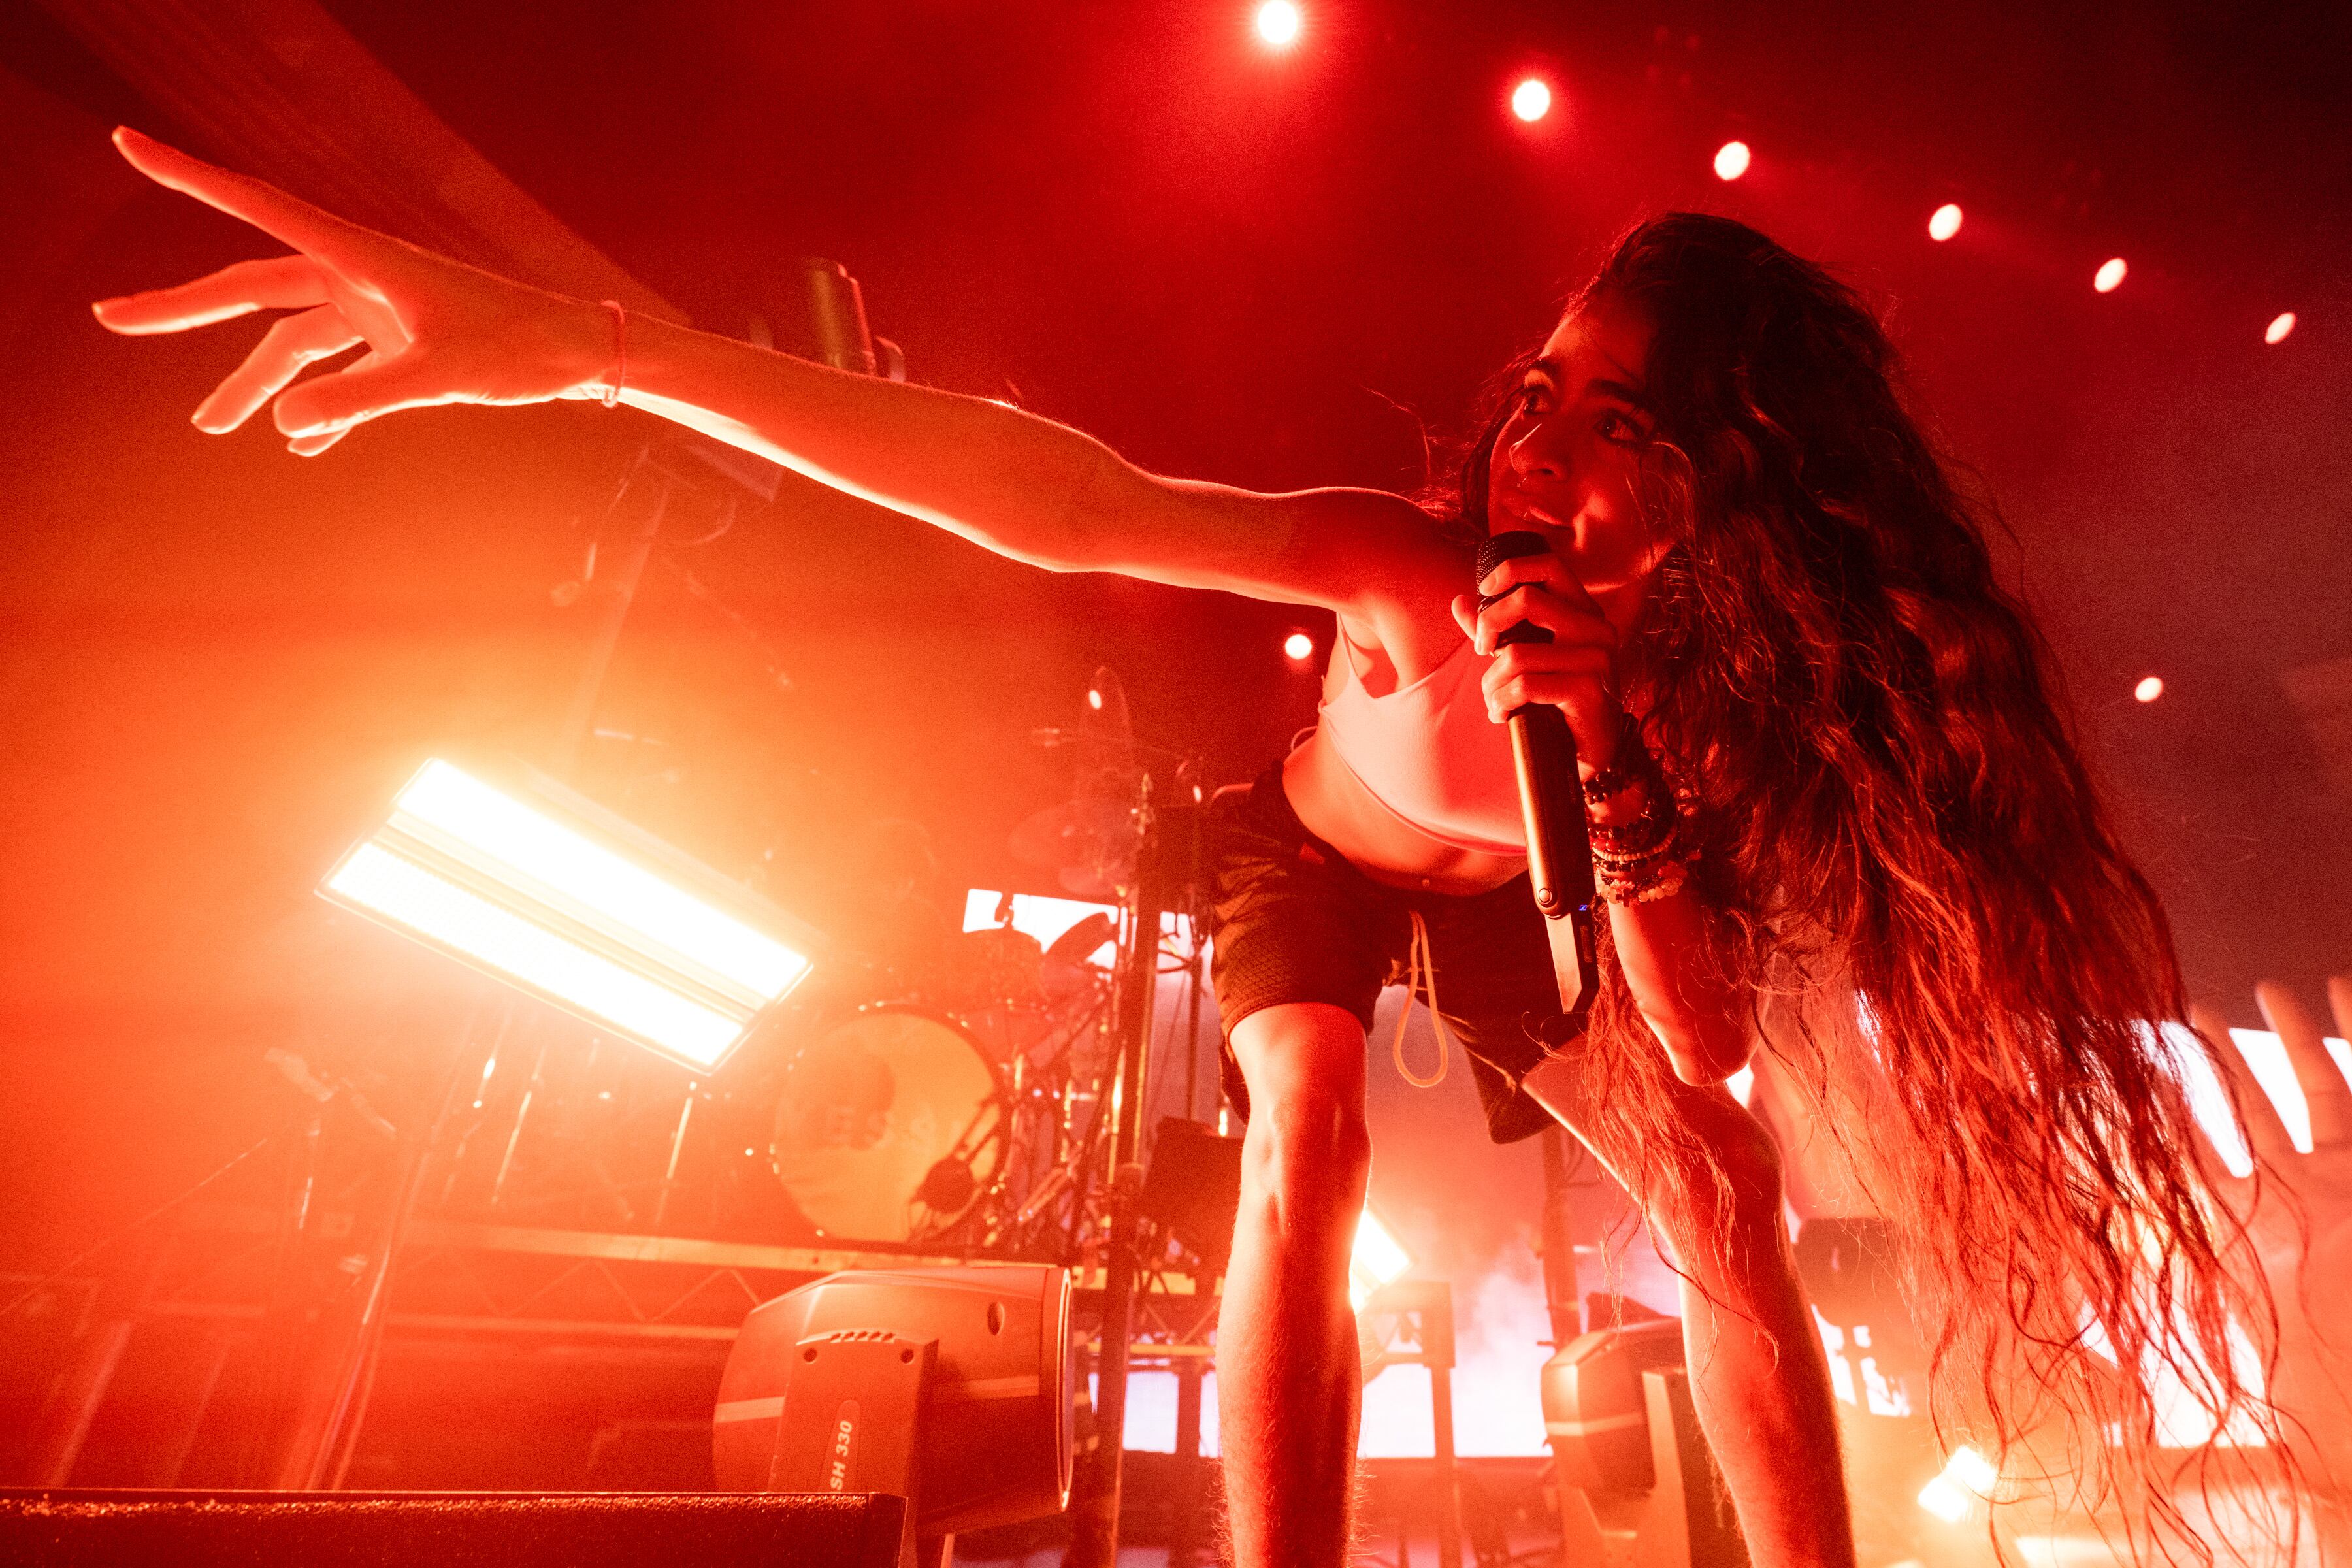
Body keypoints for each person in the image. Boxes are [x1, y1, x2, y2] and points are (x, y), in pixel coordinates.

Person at [95, 127, 2275, 1568]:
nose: (1544, 455)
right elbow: (1042, 483)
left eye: (1623, 428)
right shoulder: (1397, 568)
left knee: (1720, 1192)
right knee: (1307, 1122)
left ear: (1727, 496)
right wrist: (589, 351)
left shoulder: (1699, 702)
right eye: (1543, 391)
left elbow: (1694, 1048)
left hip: (1537, 889)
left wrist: (1598, 757)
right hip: (1307, 857)